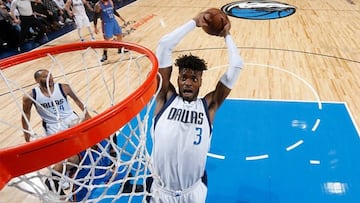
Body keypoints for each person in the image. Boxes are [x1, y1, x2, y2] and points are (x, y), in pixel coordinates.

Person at [149, 10, 244, 203]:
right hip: (159, 192)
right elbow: (164, 46)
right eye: (183, 78)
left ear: (201, 82)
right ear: (177, 79)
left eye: (194, 79)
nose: (188, 83)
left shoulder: (209, 106)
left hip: (192, 194)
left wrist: (226, 35)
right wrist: (194, 22)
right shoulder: (165, 97)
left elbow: (236, 66)